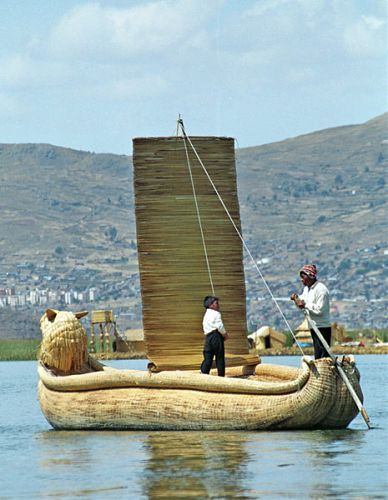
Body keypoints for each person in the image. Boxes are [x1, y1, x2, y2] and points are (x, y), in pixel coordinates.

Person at [290, 264, 331, 359]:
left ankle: (326, 372)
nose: (301, 279)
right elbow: (302, 303)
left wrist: (304, 304)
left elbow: (320, 310)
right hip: (313, 326)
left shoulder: (321, 290)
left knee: (323, 356)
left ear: (310, 276)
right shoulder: (307, 289)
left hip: (322, 327)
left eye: (303, 276)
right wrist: (296, 298)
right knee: (318, 355)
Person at [200, 295, 229, 377]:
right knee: (219, 357)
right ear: (211, 305)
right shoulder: (216, 314)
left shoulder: (205, 315)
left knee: (208, 357)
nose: (218, 305)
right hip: (216, 336)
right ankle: (221, 376)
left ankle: (203, 374)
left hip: (208, 337)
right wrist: (225, 335)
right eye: (216, 303)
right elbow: (220, 326)